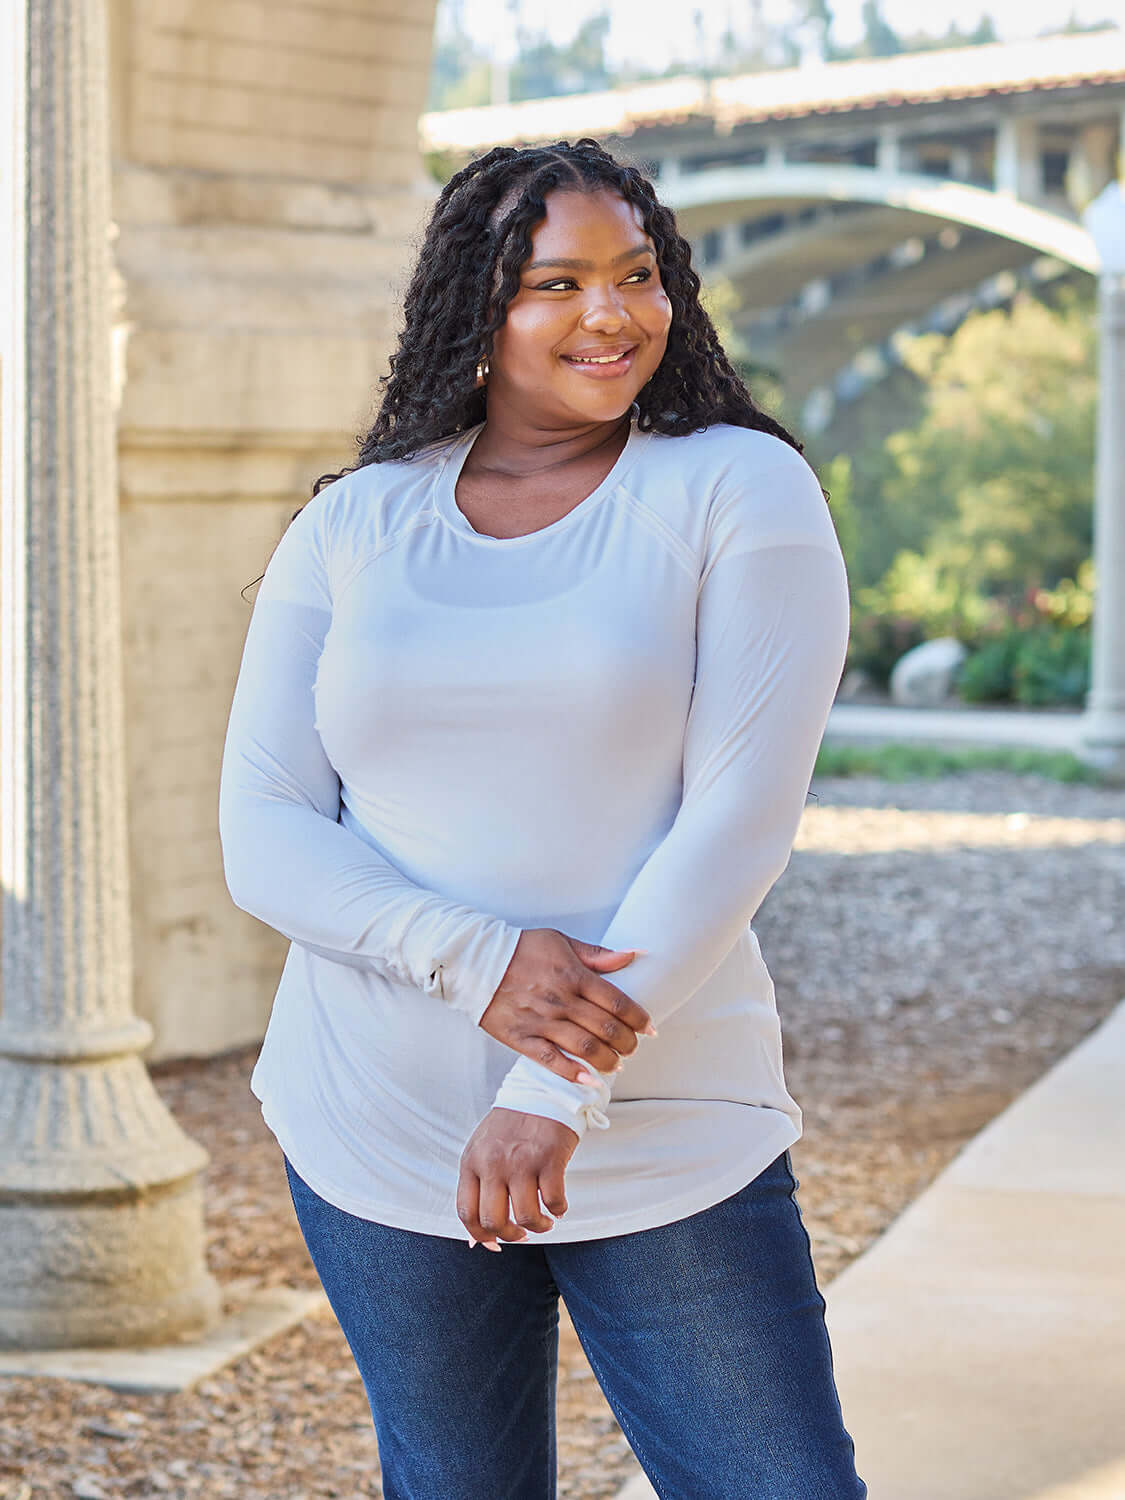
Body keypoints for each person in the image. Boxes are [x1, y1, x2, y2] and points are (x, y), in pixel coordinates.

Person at [219, 137, 865, 1500]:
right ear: (476, 304)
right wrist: (479, 960)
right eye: (554, 283)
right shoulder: (354, 524)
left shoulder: (735, 490)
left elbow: (737, 821)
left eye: (636, 275)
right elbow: (266, 825)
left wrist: (552, 1087)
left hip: (663, 1127)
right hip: (372, 1123)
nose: (612, 314)